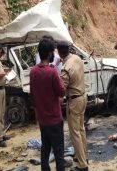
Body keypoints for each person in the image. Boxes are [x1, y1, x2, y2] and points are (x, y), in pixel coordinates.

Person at [30, 38, 66, 171]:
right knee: (59, 152)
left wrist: (37, 114)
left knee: (45, 149)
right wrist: (59, 78)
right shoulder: (52, 72)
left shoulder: (33, 71)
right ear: (50, 54)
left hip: (43, 120)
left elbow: (32, 96)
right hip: (55, 120)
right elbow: (62, 92)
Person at [57, 41, 88, 171]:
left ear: (59, 52)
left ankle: (82, 165)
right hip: (83, 97)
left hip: (74, 101)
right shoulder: (77, 58)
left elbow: (62, 90)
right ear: (69, 49)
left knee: (74, 132)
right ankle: (83, 156)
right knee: (81, 129)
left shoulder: (65, 69)